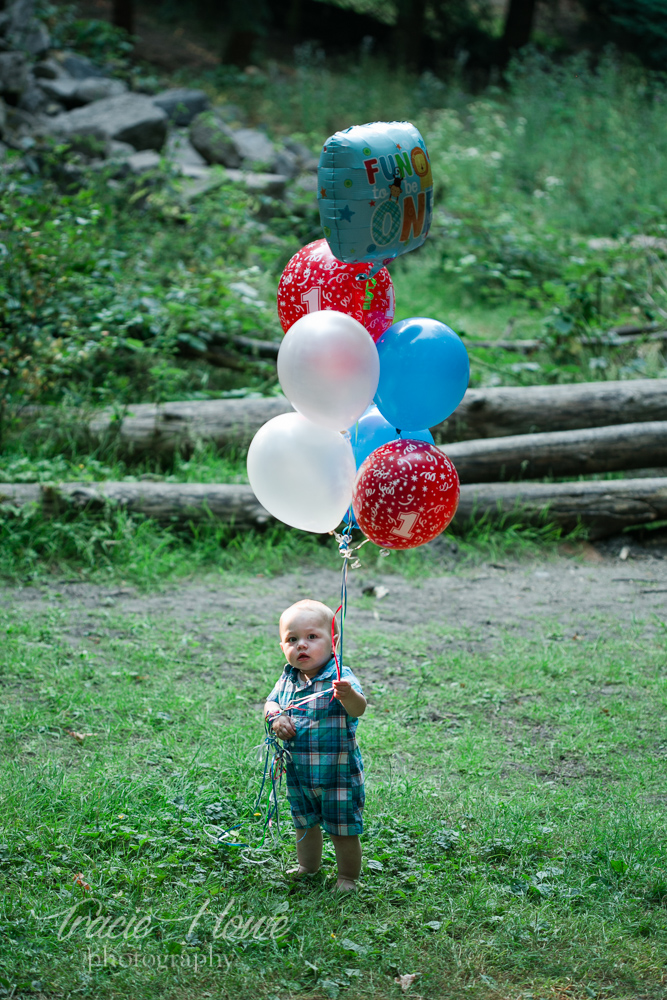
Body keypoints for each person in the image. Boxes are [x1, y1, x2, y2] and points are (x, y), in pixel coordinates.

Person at [263, 599, 367, 892]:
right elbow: (271, 702)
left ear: (333, 642)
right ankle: (308, 866)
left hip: (338, 775)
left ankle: (347, 877)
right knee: (304, 824)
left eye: (312, 637)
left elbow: (358, 709)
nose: (302, 646)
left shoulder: (340, 677)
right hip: (300, 773)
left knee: (342, 829)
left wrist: (347, 696)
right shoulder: (288, 678)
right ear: (282, 647)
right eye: (292, 639)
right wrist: (276, 717)